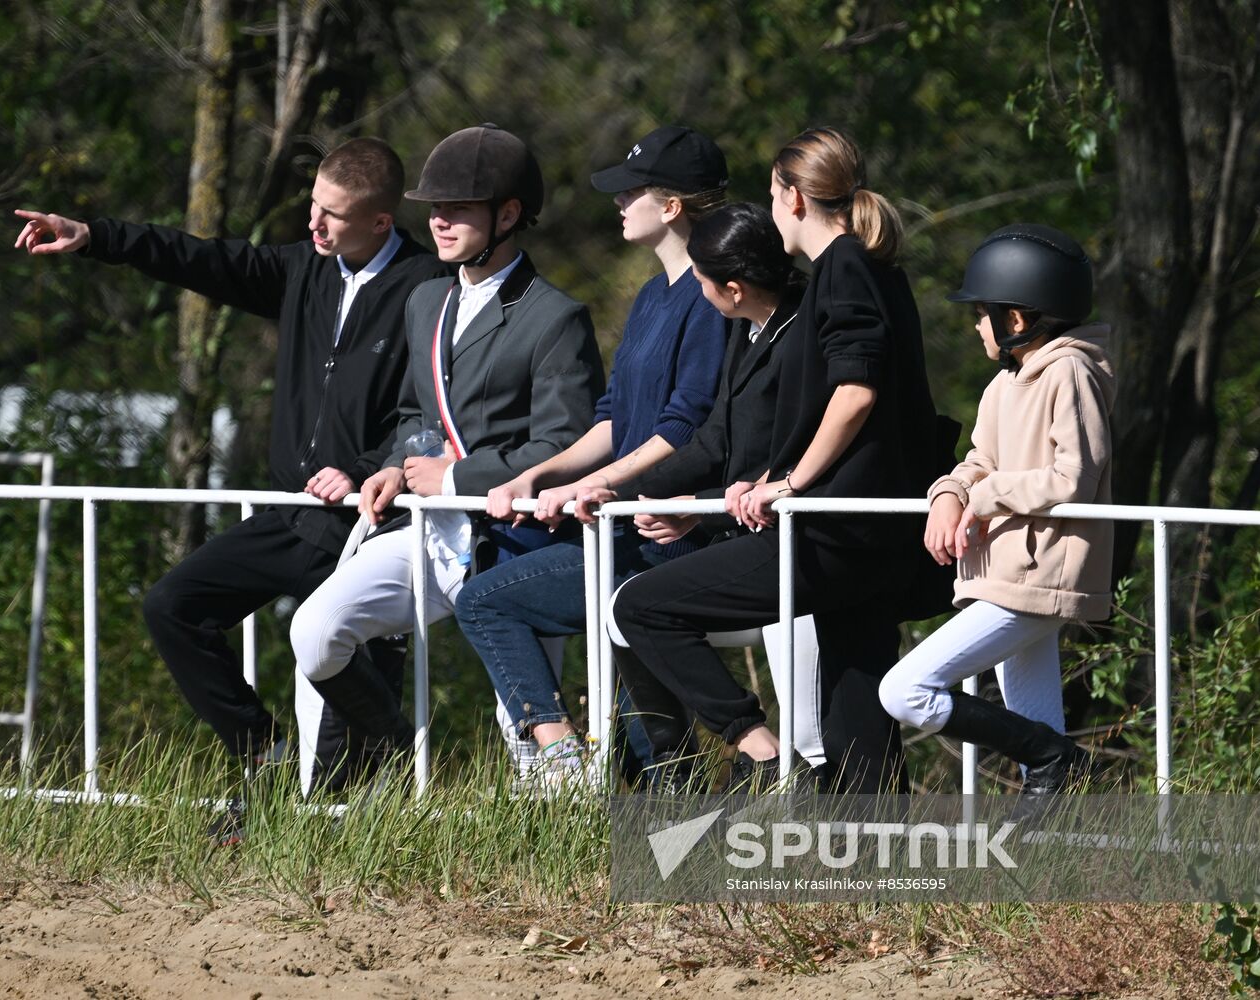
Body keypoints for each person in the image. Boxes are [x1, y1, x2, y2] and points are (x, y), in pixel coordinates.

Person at [12, 138, 449, 821]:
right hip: (291, 515)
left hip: (366, 527)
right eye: (312, 207)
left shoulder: (426, 289)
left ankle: (324, 814)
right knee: (172, 607)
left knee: (341, 750)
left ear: (380, 223)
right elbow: (201, 257)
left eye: (332, 215)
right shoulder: (307, 268)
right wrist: (95, 236)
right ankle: (264, 758)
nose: (313, 225)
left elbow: (430, 412)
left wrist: (367, 470)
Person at [610, 126, 938, 793]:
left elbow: (855, 392)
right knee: (856, 714)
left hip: (840, 526)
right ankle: (878, 862)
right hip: (860, 524)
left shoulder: (844, 265)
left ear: (791, 197)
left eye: (770, 193)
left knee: (642, 606)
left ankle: (764, 754)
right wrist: (766, 481)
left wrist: (791, 481)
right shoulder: (863, 266)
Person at [288, 124, 605, 756]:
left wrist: (456, 479)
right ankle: (397, 752)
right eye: (434, 208)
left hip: (511, 538)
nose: (439, 221)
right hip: (428, 531)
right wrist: (395, 467)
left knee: (524, 737)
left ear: (508, 214)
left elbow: (562, 446)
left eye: (458, 208)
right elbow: (415, 413)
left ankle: (562, 844)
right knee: (316, 631)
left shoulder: (556, 316)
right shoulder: (426, 299)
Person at [452, 125, 730, 792]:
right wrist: (538, 474)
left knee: (485, 602)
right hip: (625, 528)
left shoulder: (712, 295)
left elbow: (680, 426)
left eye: (632, 191)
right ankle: (660, 794)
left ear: (670, 206)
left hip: (668, 534)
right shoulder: (650, 296)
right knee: (637, 686)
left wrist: (603, 486)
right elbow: (614, 418)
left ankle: (562, 763)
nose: (618, 202)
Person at [878, 224, 1112, 804]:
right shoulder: (1003, 384)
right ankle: (1050, 849)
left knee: (905, 689)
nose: (974, 323)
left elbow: (1074, 477)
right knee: (1037, 728)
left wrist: (982, 497)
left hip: (1040, 573)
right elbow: (977, 462)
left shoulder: (1069, 372)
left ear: (1016, 318)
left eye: (982, 312)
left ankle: (1059, 759)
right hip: (1004, 572)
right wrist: (949, 495)